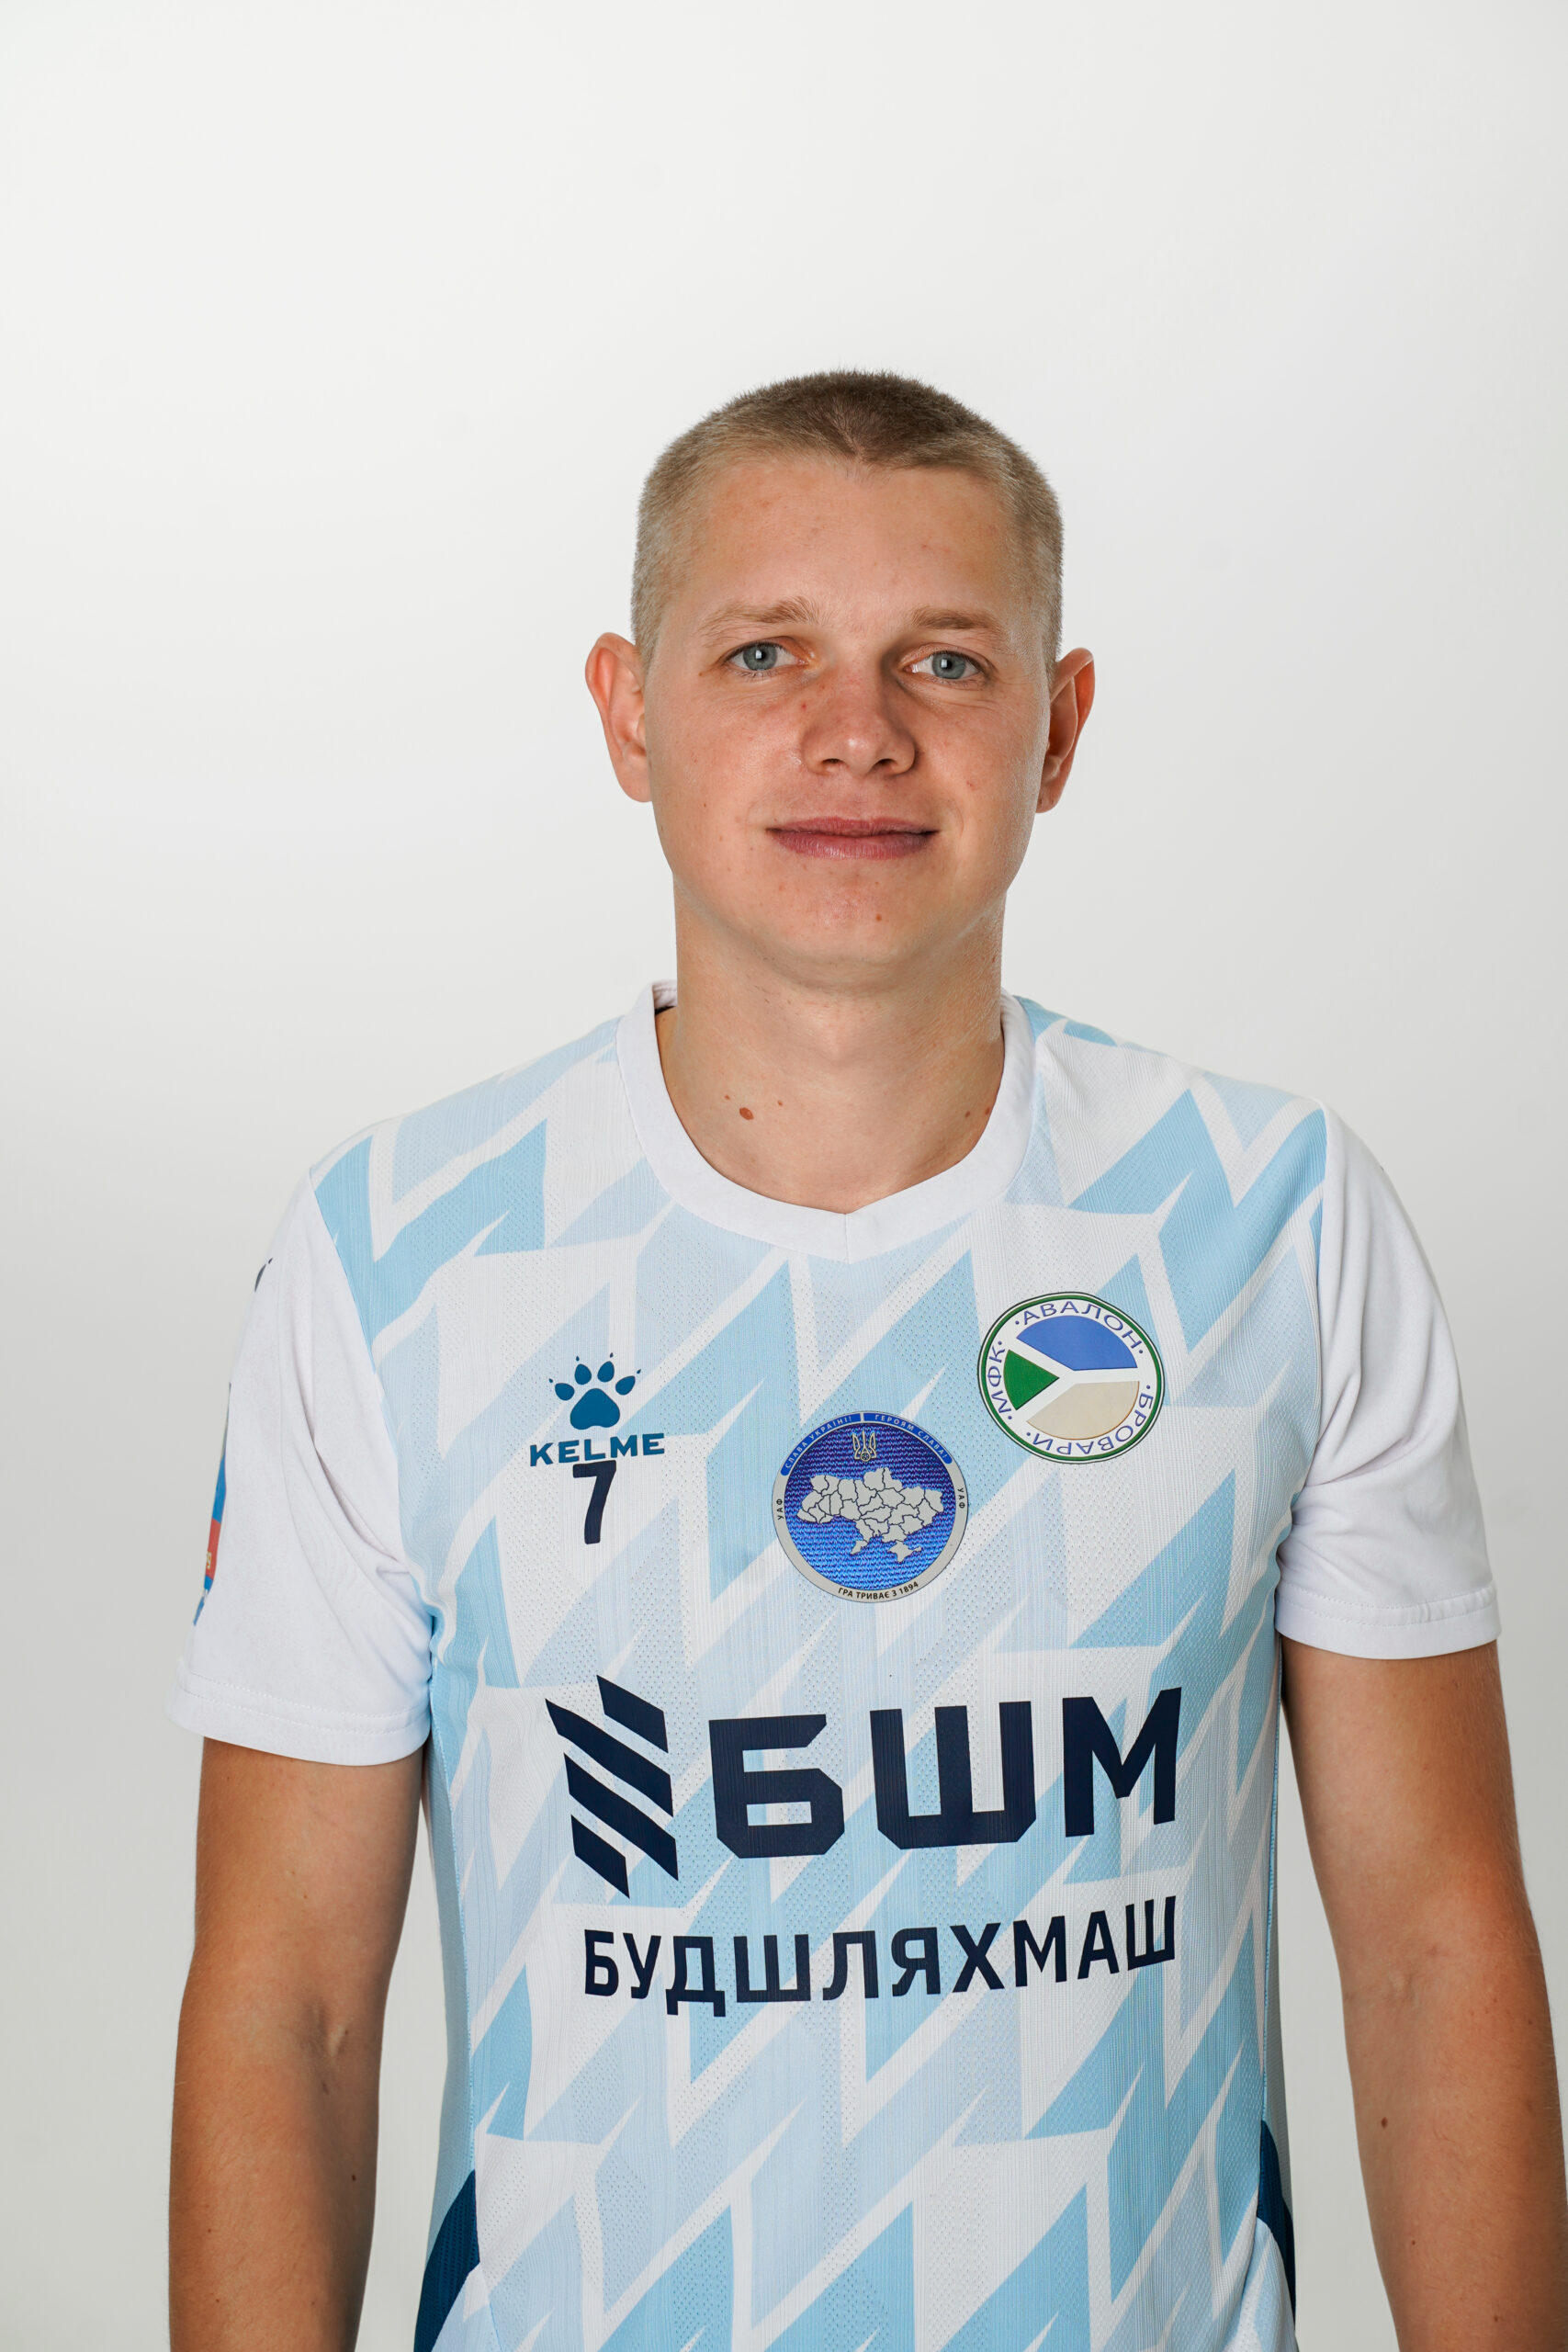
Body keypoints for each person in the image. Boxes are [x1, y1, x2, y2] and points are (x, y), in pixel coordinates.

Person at [167, 371, 1567, 2352]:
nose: (859, 730)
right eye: (765, 652)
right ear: (628, 712)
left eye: (945, 660)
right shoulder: (400, 1254)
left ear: (1058, 727)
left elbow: (1432, 1947)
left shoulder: (1273, 1220)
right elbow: (286, 2001)